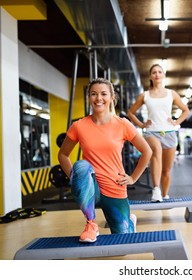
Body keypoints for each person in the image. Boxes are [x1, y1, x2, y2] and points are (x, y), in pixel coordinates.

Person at [58, 78, 152, 243]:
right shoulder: (79, 126)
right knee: (80, 167)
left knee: (123, 242)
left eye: (103, 94)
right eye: (93, 94)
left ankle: (129, 221)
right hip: (91, 187)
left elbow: (147, 151)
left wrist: (133, 178)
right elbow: (63, 155)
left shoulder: (123, 124)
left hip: (114, 186)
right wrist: (74, 179)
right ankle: (91, 224)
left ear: (112, 97)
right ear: (89, 97)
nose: (98, 98)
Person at [128, 64, 190, 202]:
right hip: (151, 132)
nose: (157, 74)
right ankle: (156, 189)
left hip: (169, 132)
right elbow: (130, 112)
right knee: (156, 150)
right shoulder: (145, 95)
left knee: (166, 170)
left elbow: (186, 110)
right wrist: (141, 125)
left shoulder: (171, 94)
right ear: (150, 76)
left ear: (163, 75)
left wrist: (176, 122)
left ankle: (165, 195)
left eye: (159, 72)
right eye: (154, 72)